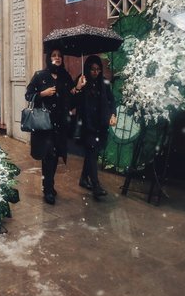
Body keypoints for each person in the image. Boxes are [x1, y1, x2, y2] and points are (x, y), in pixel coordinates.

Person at [25, 48, 74, 205]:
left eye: (59, 56)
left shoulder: (65, 77)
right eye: (54, 55)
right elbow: (28, 95)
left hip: (60, 124)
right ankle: (48, 189)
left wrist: (77, 88)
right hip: (44, 124)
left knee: (55, 155)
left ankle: (49, 185)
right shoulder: (40, 75)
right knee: (48, 156)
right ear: (49, 58)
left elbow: (72, 99)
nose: (57, 58)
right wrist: (42, 94)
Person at [74, 55, 117, 199]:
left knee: (93, 153)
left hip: (101, 123)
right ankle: (96, 185)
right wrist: (79, 88)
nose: (95, 72)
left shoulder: (103, 82)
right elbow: (75, 102)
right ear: (87, 69)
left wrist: (113, 114)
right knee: (92, 151)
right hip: (87, 124)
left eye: (98, 70)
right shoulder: (82, 80)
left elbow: (111, 101)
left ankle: (83, 179)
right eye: (92, 69)